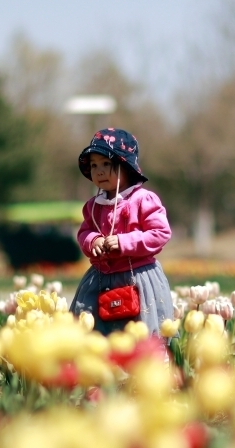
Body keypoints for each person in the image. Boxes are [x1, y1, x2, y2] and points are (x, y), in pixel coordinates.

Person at [72, 128, 174, 336]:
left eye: (106, 164)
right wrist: (92, 240)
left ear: (126, 166)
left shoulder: (143, 199)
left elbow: (160, 233)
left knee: (140, 332)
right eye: (94, 165)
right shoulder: (93, 205)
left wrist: (124, 241)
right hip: (100, 278)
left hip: (138, 277)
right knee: (93, 330)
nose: (99, 171)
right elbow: (84, 232)